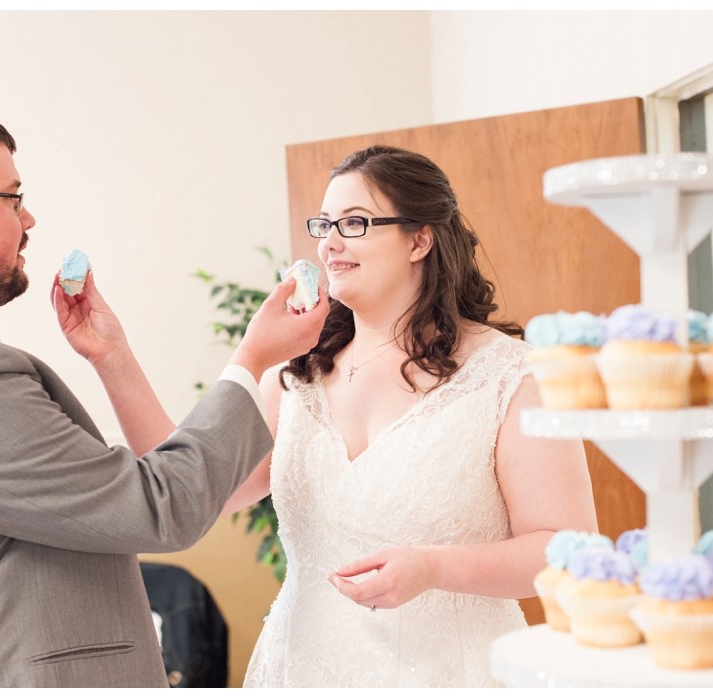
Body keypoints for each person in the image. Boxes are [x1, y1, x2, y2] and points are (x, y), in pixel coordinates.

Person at [0, 102, 328, 688]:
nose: (30, 218)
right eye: (12, 197)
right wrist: (253, 357)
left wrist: (111, 357)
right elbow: (164, 506)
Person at [226, 145, 599, 687]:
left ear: (419, 239)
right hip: (299, 670)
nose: (328, 243)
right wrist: (113, 357)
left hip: (451, 675)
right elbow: (193, 494)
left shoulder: (514, 375)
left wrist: (434, 568)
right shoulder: (293, 379)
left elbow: (568, 551)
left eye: (353, 223)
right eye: (324, 224)